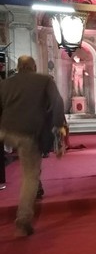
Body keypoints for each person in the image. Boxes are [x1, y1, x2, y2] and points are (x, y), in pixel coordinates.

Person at [0, 55, 65, 236]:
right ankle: (23, 221)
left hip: (5, 132)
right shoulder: (44, 80)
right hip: (27, 134)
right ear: (34, 66)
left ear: (18, 67)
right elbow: (57, 102)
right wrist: (59, 127)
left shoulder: (4, 84)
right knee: (30, 176)